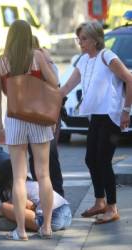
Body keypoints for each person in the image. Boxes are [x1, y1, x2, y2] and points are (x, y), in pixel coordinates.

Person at [0, 20, 58, 240]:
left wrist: (0, 127)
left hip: (14, 119)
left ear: (9, 37)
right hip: (38, 118)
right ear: (29, 35)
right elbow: (55, 82)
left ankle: (20, 230)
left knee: (19, 177)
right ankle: (47, 227)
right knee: (44, 174)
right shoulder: (37, 57)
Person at [60, 21, 132, 224]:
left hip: (111, 116)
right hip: (95, 117)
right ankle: (100, 201)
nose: (80, 43)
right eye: (79, 38)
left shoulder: (107, 56)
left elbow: (129, 79)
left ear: (95, 39)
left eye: (83, 39)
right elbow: (66, 87)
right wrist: (49, 98)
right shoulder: (84, 60)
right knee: (91, 159)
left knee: (103, 160)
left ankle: (112, 207)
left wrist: (126, 111)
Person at [28, 35, 64, 197]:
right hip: (36, 115)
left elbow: (55, 87)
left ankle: (58, 196)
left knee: (49, 156)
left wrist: (54, 118)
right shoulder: (32, 60)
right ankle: (47, 195)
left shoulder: (42, 58)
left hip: (47, 114)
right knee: (38, 157)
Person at [0, 165, 71, 234]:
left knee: (4, 207)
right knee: (8, 210)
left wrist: (3, 212)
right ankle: (21, 223)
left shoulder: (18, 189)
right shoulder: (30, 183)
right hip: (67, 214)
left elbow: (31, 206)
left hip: (53, 218)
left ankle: (20, 225)